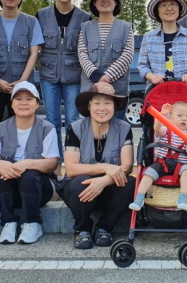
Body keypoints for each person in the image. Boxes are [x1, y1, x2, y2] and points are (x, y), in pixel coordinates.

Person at [57, 82, 135, 249]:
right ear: (89, 105)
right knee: (80, 182)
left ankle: (104, 228)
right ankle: (82, 230)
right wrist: (105, 168)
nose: (102, 108)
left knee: (132, 184)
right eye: (97, 102)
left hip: (109, 188)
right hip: (79, 191)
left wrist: (104, 181)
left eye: (107, 103)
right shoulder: (76, 128)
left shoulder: (124, 128)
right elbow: (71, 168)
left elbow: (126, 166)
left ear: (115, 106)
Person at [0, 82, 58, 245]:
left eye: (29, 99)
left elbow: (52, 163)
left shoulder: (47, 128)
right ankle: (8, 223)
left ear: (37, 104)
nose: (24, 103)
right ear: (12, 104)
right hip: (10, 191)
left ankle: (33, 223)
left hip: (38, 190)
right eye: (18, 99)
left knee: (29, 175)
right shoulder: (0, 128)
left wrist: (27, 163)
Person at [0, 0, 44, 148]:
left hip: (22, 87)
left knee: (21, 127)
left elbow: (34, 54)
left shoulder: (31, 22)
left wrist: (23, 81)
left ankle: (17, 164)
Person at [36, 0, 91, 163]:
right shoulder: (41, 15)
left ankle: (72, 162)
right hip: (48, 76)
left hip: (74, 77)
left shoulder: (85, 17)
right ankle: (55, 162)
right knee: (51, 122)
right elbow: (35, 47)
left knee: (73, 122)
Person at [78, 0, 134, 120]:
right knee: (90, 131)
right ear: (94, 4)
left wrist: (106, 79)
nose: (105, 0)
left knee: (117, 130)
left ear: (116, 3)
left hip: (117, 92)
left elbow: (127, 56)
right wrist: (97, 77)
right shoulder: (85, 28)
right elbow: (82, 53)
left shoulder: (126, 28)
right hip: (90, 90)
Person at [129, 102, 187, 212]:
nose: (184, 119)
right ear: (170, 118)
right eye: (179, 116)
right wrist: (162, 115)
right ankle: (139, 199)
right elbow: (157, 127)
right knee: (148, 174)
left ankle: (182, 198)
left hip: (181, 165)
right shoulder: (165, 130)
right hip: (162, 163)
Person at [138, 0, 187, 88]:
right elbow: (142, 65)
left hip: (185, 90)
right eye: (164, 5)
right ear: (157, 11)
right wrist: (152, 77)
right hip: (157, 91)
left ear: (179, 8)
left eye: (173, 4)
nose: (169, 8)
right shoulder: (148, 38)